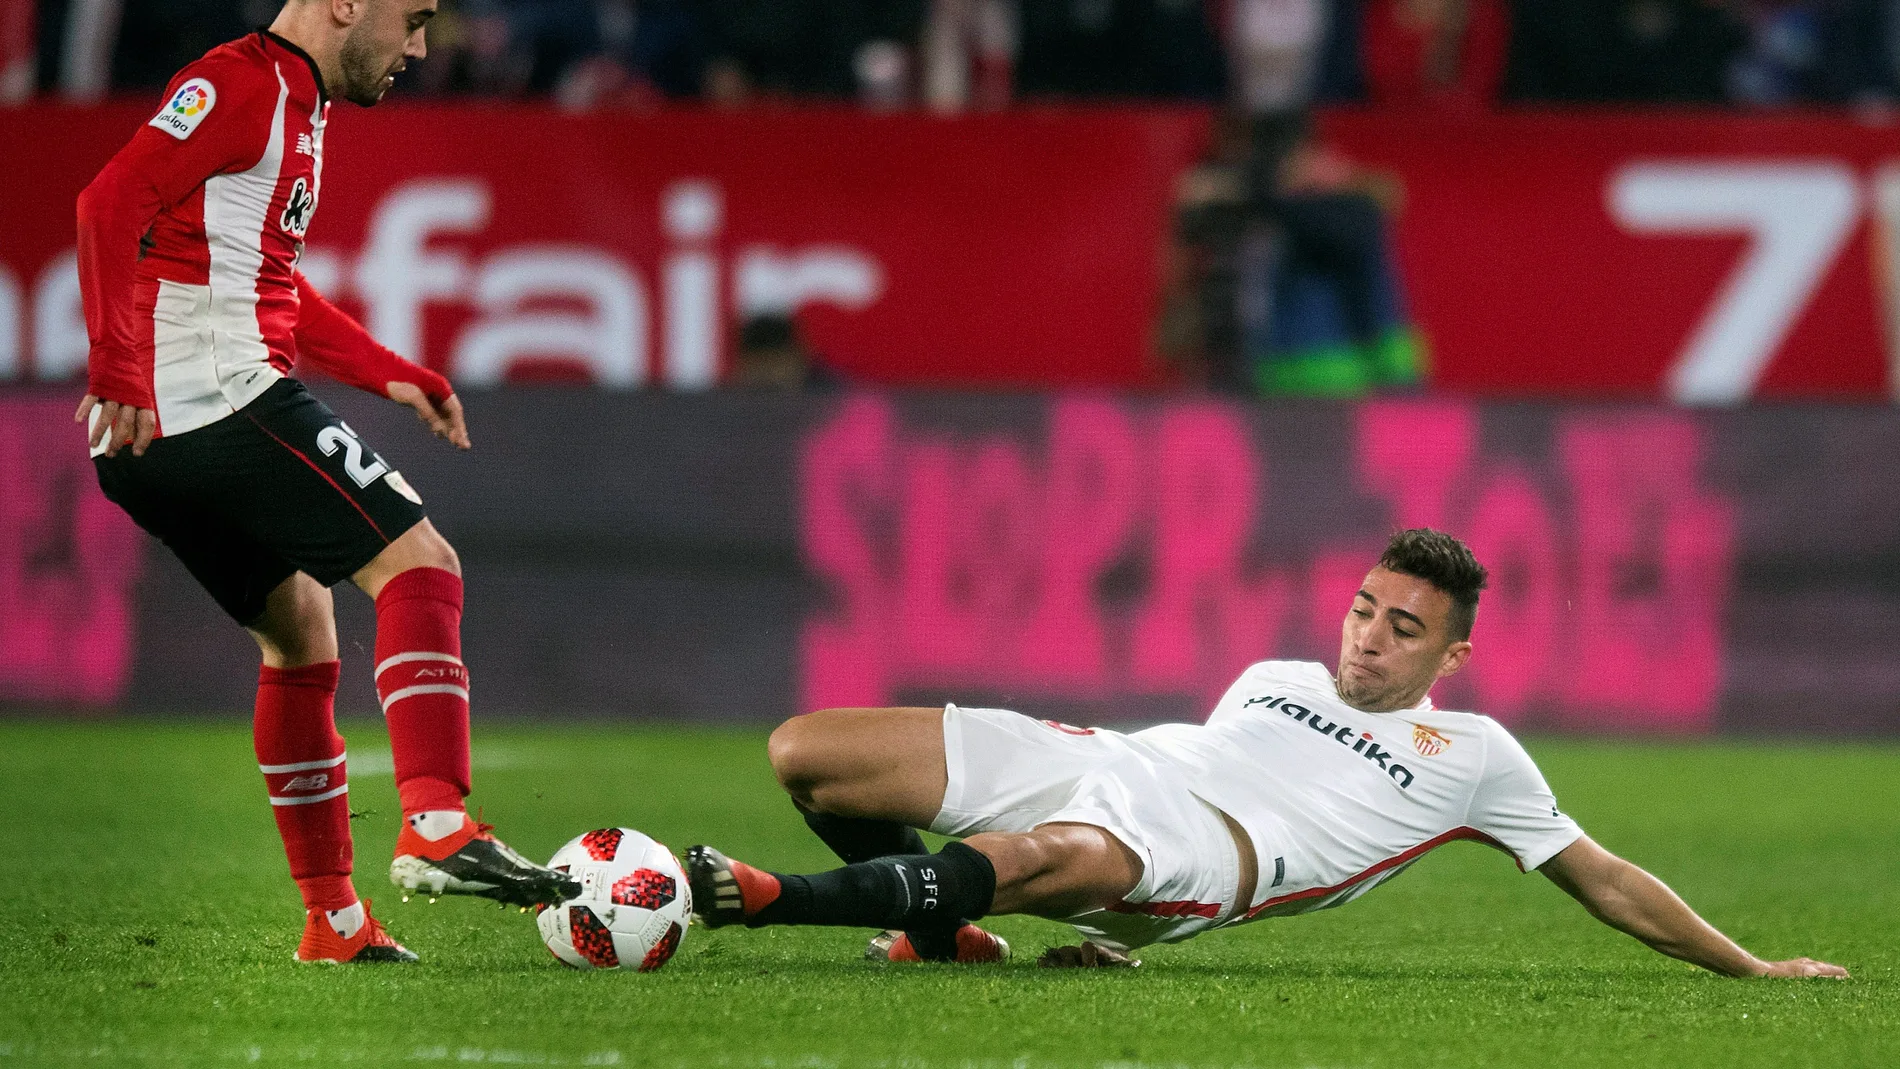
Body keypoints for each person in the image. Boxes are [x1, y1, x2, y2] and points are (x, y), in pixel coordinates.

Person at [687, 529, 1849, 977]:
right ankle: (947, 934)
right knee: (810, 751)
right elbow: (1200, 749)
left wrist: (1747, 968)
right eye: (1361, 607)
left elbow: (1601, 877)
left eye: (1404, 627)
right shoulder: (1276, 678)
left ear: (1450, 655)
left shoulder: (1479, 754)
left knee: (1040, 854)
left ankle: (748, 900)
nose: (1368, 636)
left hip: (1210, 852)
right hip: (1124, 758)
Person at [73, 0, 577, 965]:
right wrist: (118, 365)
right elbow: (107, 202)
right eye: (415, 18)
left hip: (149, 439)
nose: (423, 48)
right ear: (346, 2)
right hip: (211, 397)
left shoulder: (300, 106)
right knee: (420, 563)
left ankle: (334, 920)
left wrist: (387, 369)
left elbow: (268, 283)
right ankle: (435, 820)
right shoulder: (236, 82)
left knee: (301, 637)